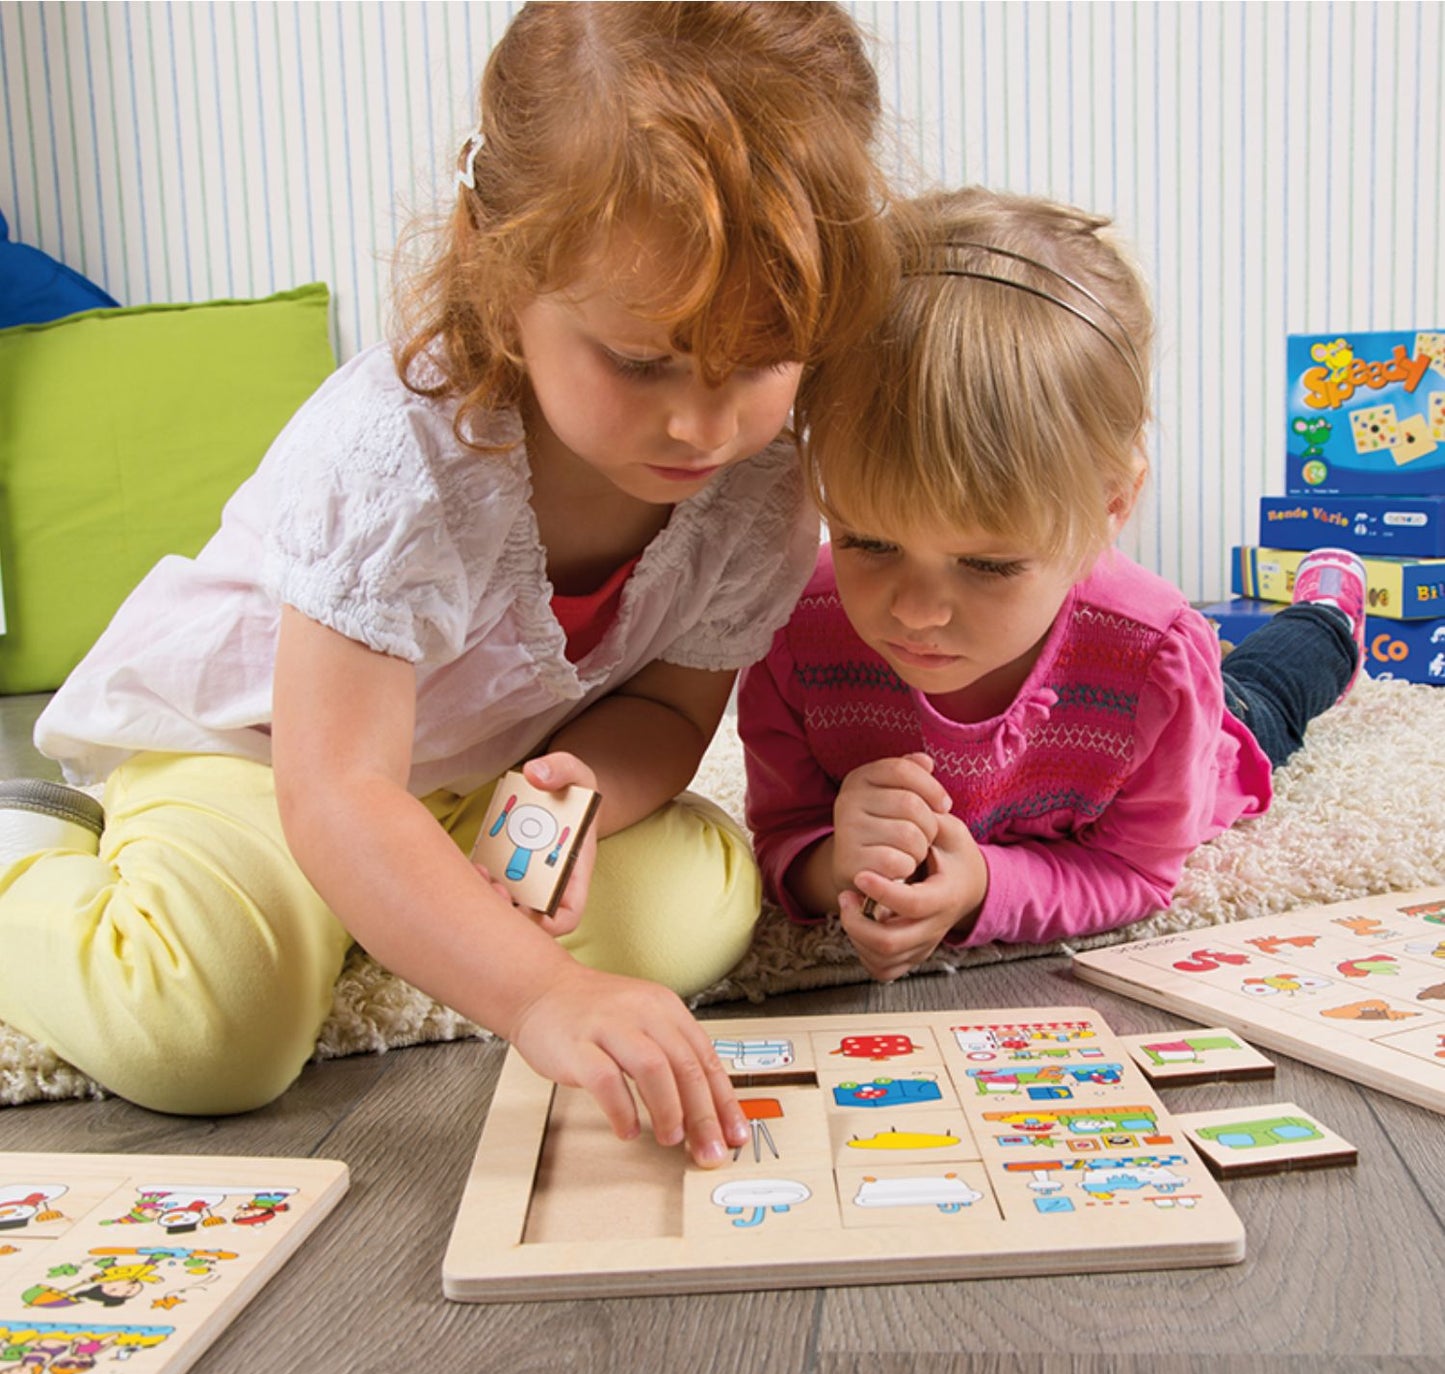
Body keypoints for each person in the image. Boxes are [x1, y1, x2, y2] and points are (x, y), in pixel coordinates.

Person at [0, 2, 897, 1166]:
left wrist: (582, 788)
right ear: (494, 255)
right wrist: (535, 993)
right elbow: (337, 789)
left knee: (699, 904)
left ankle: (384, 912)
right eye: (641, 362)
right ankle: (26, 855)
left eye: (762, 361)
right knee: (208, 1030)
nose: (701, 424)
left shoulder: (758, 487)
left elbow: (670, 713)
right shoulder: (400, 457)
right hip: (269, 756)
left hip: (479, 775)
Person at [739, 186, 1367, 983]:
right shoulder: (792, 633)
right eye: (867, 541)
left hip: (1194, 731)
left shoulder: (1154, 659)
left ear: (1111, 506)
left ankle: (1325, 611)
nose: (916, 612)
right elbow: (781, 836)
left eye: (987, 564)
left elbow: (1135, 872)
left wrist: (983, 886)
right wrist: (834, 862)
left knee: (1264, 696)